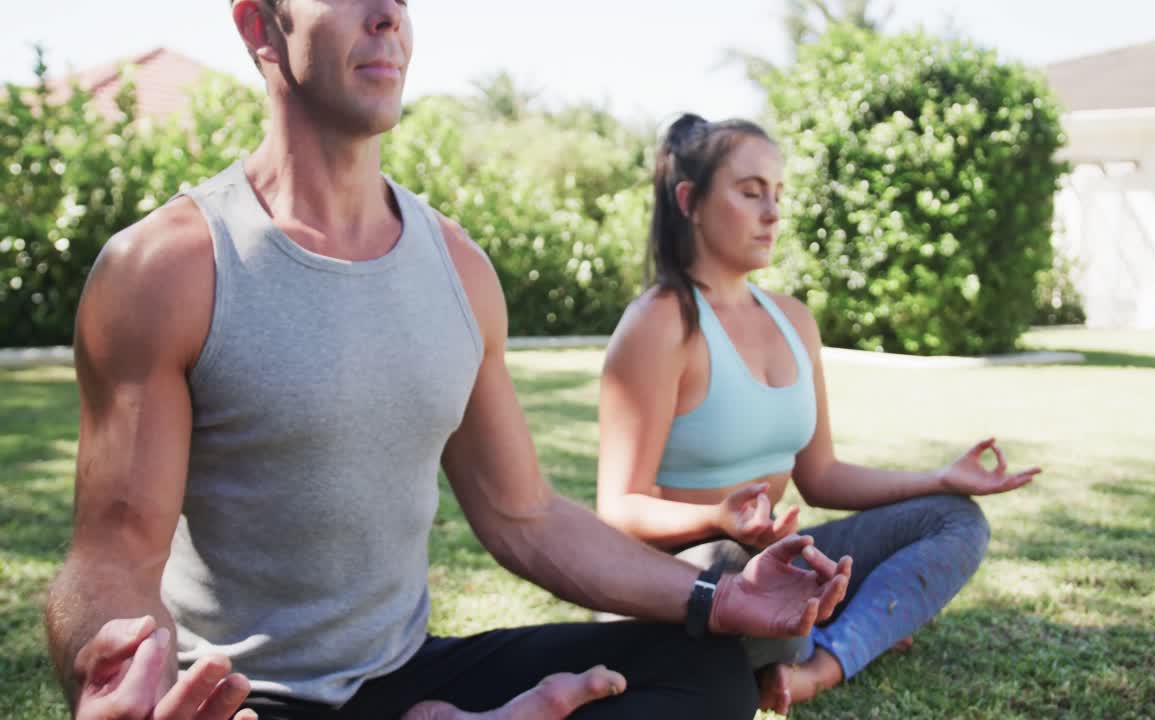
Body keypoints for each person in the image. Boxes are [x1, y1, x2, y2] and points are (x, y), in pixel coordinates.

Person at [43, 4, 853, 719]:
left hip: (403, 674)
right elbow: (115, 552)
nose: (389, 16)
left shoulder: (457, 267)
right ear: (260, 25)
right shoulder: (167, 269)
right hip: (242, 697)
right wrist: (110, 669)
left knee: (704, 675)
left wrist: (721, 598)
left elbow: (522, 515)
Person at [595, 114, 1042, 715]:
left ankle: (817, 666)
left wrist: (941, 479)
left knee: (954, 522)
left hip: (772, 562)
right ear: (690, 202)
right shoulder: (662, 321)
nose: (773, 213)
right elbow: (618, 510)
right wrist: (719, 517)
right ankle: (809, 638)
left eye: (778, 194)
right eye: (751, 192)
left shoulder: (793, 320)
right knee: (758, 577)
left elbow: (822, 475)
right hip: (684, 575)